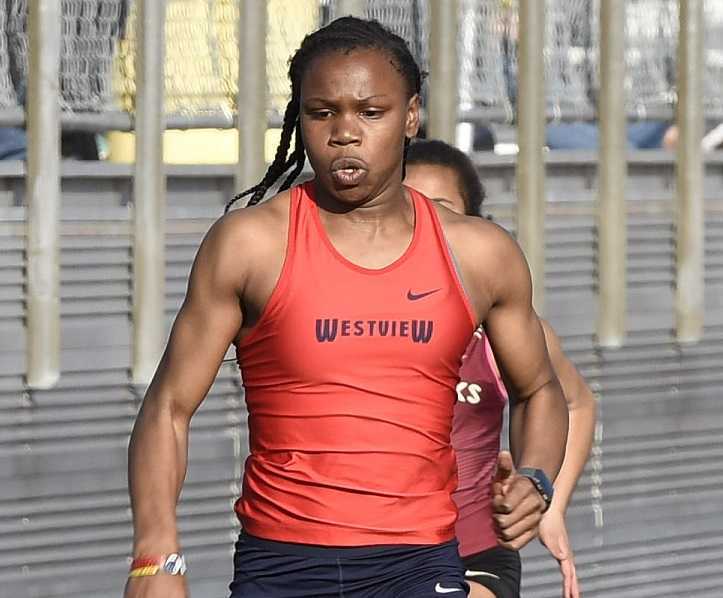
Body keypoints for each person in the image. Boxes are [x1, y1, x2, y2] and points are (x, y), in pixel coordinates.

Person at [124, 17, 568, 598]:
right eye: (322, 112)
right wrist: (156, 558)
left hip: (420, 564)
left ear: (410, 116)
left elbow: (541, 390)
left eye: (370, 112)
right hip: (280, 565)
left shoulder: (478, 254)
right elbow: (168, 408)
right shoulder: (250, 244)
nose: (344, 133)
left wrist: (536, 477)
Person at [405, 139, 597, 598]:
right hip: (368, 554)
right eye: (405, 208)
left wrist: (546, 500)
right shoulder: (349, 324)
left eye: (443, 211)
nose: (425, 226)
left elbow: (576, 402)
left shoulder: (502, 332)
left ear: (476, 226)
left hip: (474, 555)